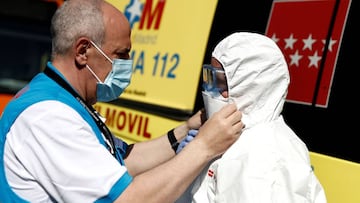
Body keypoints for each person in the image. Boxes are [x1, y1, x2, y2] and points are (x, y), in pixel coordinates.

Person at [0, 0, 245, 202]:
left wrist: (187, 129)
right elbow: (126, 199)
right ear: (83, 51)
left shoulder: (60, 96)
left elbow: (123, 160)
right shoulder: (49, 117)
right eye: (121, 53)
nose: (129, 63)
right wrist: (205, 147)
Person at [176, 32, 327, 203]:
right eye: (209, 77)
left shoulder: (266, 158)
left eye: (218, 79)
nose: (211, 90)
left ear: (249, 85)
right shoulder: (234, 136)